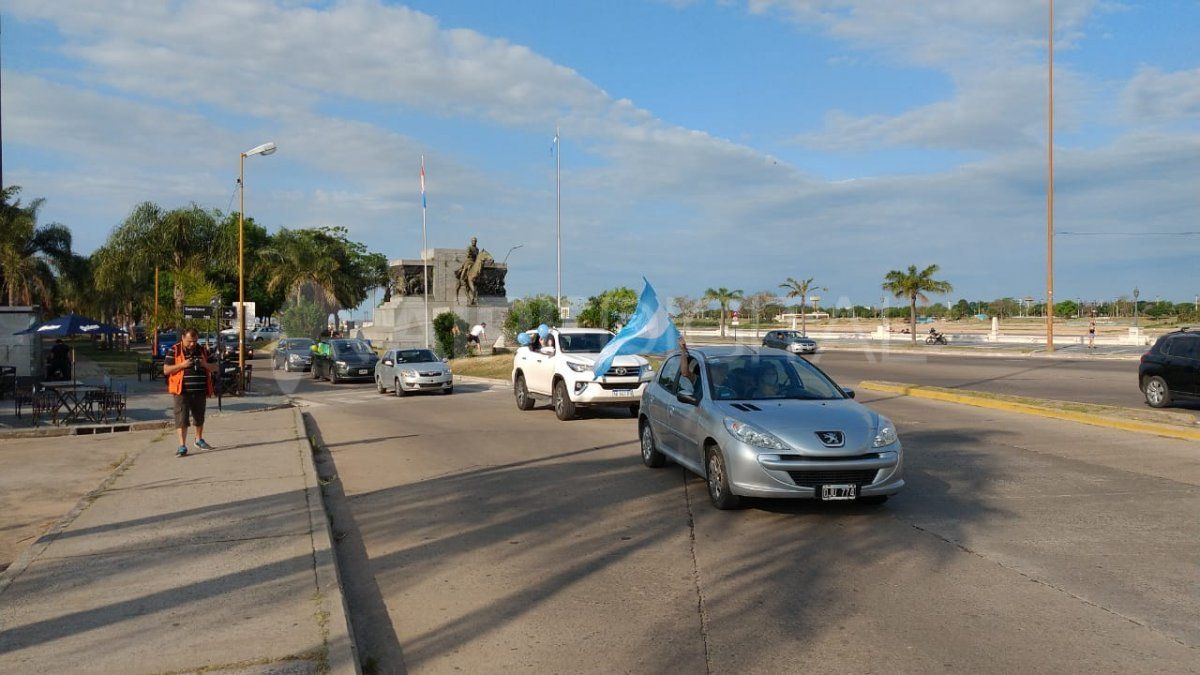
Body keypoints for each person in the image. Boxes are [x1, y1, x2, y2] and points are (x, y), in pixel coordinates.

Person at [163, 328, 217, 457]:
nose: (192, 344)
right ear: (183, 338)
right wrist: (182, 365)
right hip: (181, 390)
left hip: (200, 390)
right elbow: (166, 370)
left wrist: (204, 364)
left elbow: (215, 367)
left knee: (199, 417)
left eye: (194, 341)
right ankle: (182, 446)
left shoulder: (203, 350)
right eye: (189, 341)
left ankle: (198, 439)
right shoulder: (174, 350)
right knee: (182, 418)